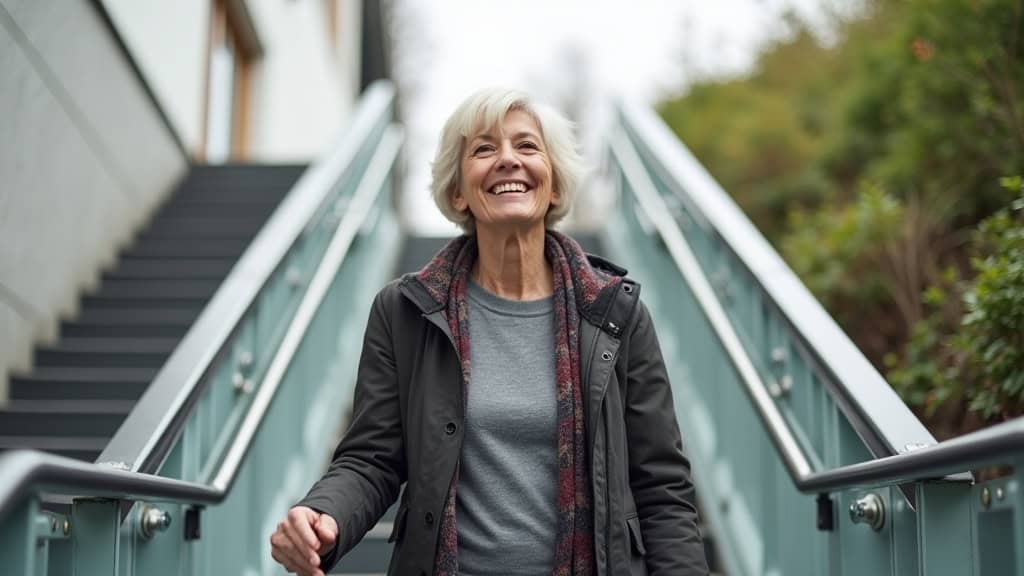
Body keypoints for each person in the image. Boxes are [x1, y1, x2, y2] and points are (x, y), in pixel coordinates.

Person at [269, 88, 709, 576]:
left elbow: (662, 487)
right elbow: (372, 457)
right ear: (458, 191)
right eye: (483, 149)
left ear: (555, 184)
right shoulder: (404, 311)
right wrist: (324, 512)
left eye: (526, 147)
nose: (507, 161)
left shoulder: (614, 313)